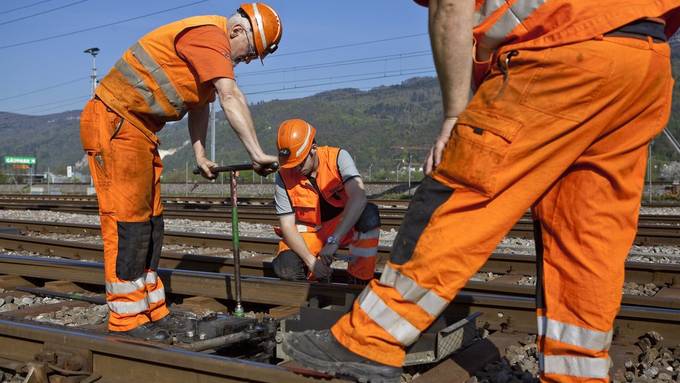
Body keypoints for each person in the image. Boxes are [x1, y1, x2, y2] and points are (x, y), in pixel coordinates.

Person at [283, 1, 680, 382]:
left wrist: (456, 116)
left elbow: (450, 6)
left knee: (460, 194)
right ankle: (575, 375)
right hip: (645, 59)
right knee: (587, 234)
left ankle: (369, 339)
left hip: (561, 50)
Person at [78, 3, 282, 342]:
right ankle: (127, 317)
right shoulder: (208, 35)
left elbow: (200, 104)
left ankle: (152, 309)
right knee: (127, 222)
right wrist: (256, 152)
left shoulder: (211, 47)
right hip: (114, 121)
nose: (245, 61)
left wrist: (200, 154)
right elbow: (229, 95)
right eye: (249, 53)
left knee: (151, 223)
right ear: (237, 32)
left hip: (139, 129)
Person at [271, 118, 380, 283]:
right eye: (291, 165)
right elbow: (287, 226)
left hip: (343, 226)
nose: (296, 169)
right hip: (310, 234)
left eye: (300, 163)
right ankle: (311, 285)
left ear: (313, 148)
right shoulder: (283, 176)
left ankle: (360, 278)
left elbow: (358, 197)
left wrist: (334, 241)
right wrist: (311, 262)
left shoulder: (338, 158)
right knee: (286, 267)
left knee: (368, 214)